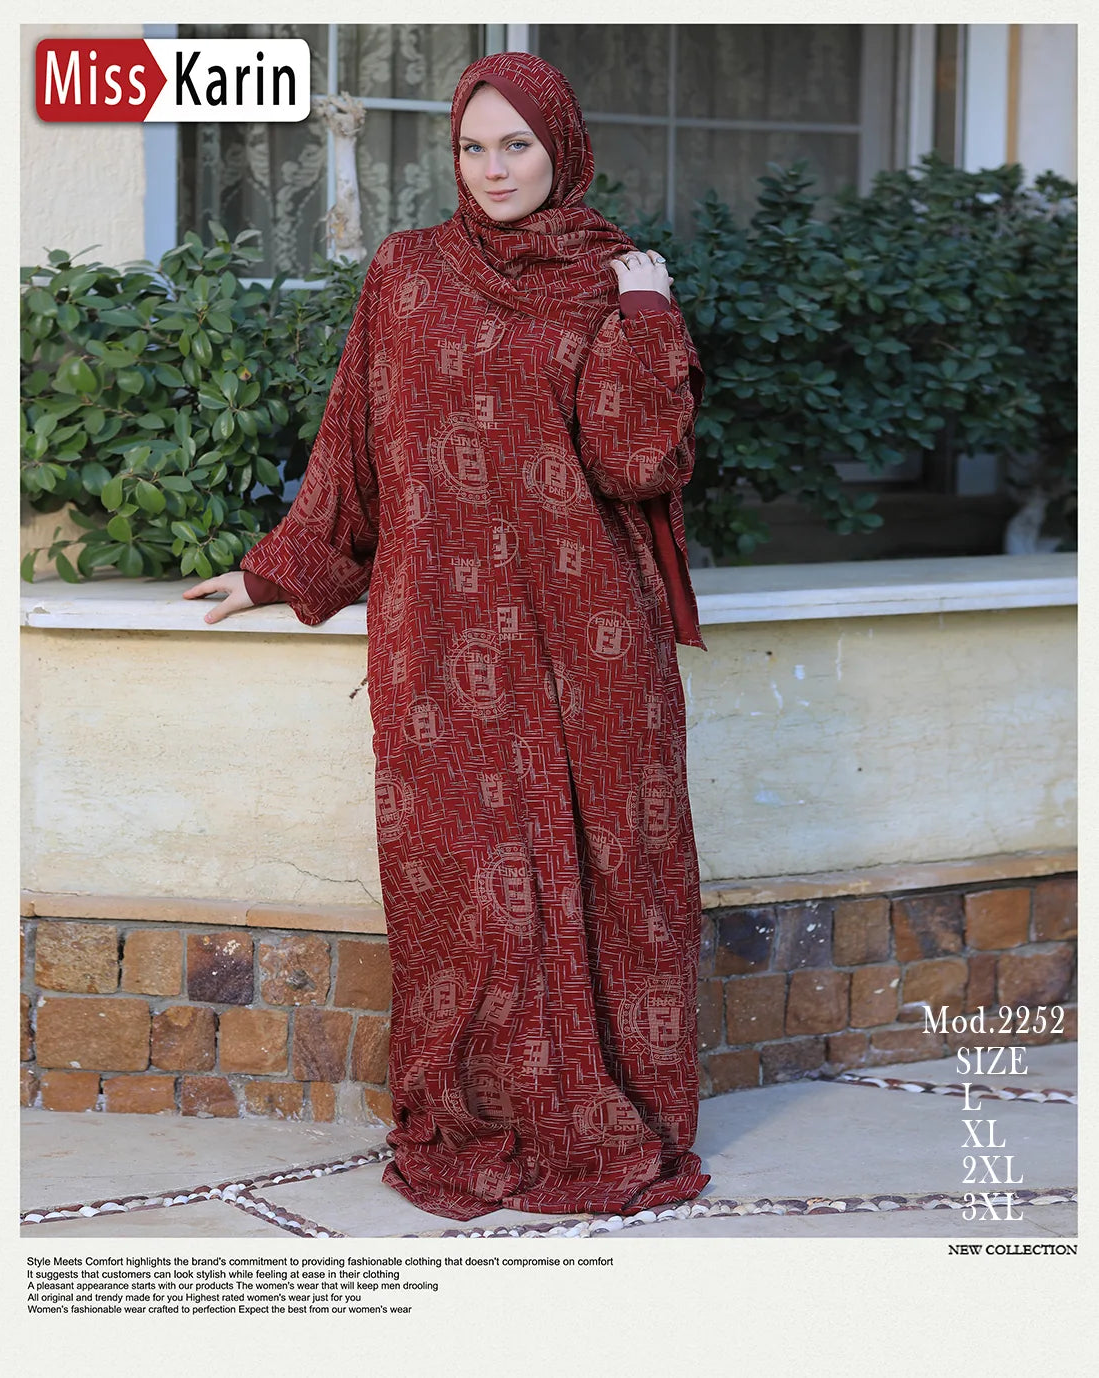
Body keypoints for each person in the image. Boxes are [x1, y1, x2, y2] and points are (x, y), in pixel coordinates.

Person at [183, 50, 711, 1222]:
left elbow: (637, 461)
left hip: (592, 639)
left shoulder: (611, 277)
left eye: (515, 143)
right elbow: (356, 450)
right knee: (467, 887)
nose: (494, 167)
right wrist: (277, 573)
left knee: (613, 872)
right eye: (473, 146)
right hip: (444, 637)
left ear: (560, 146)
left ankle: (616, 1109)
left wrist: (644, 312)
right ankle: (485, 1113)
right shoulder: (407, 273)